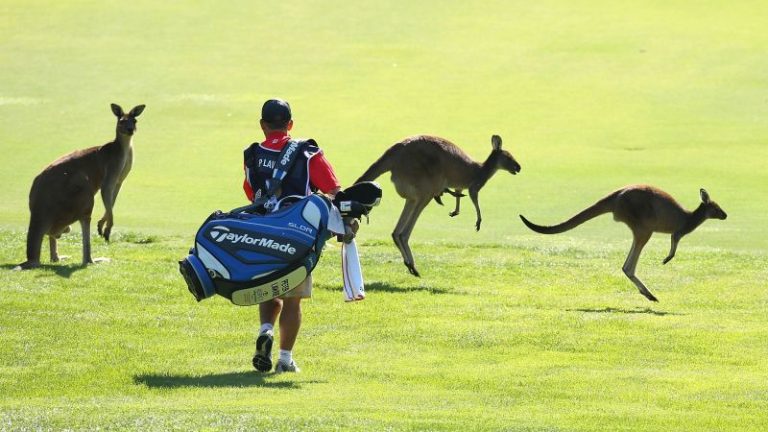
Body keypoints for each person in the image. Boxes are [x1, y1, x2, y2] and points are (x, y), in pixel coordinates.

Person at [243, 98, 342, 373]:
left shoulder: (251, 155)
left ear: (263, 125)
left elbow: (251, 194)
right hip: (297, 235)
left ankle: (266, 329)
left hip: (262, 231)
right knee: (292, 298)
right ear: (290, 124)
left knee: (268, 286)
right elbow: (333, 189)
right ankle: (285, 359)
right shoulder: (308, 153)